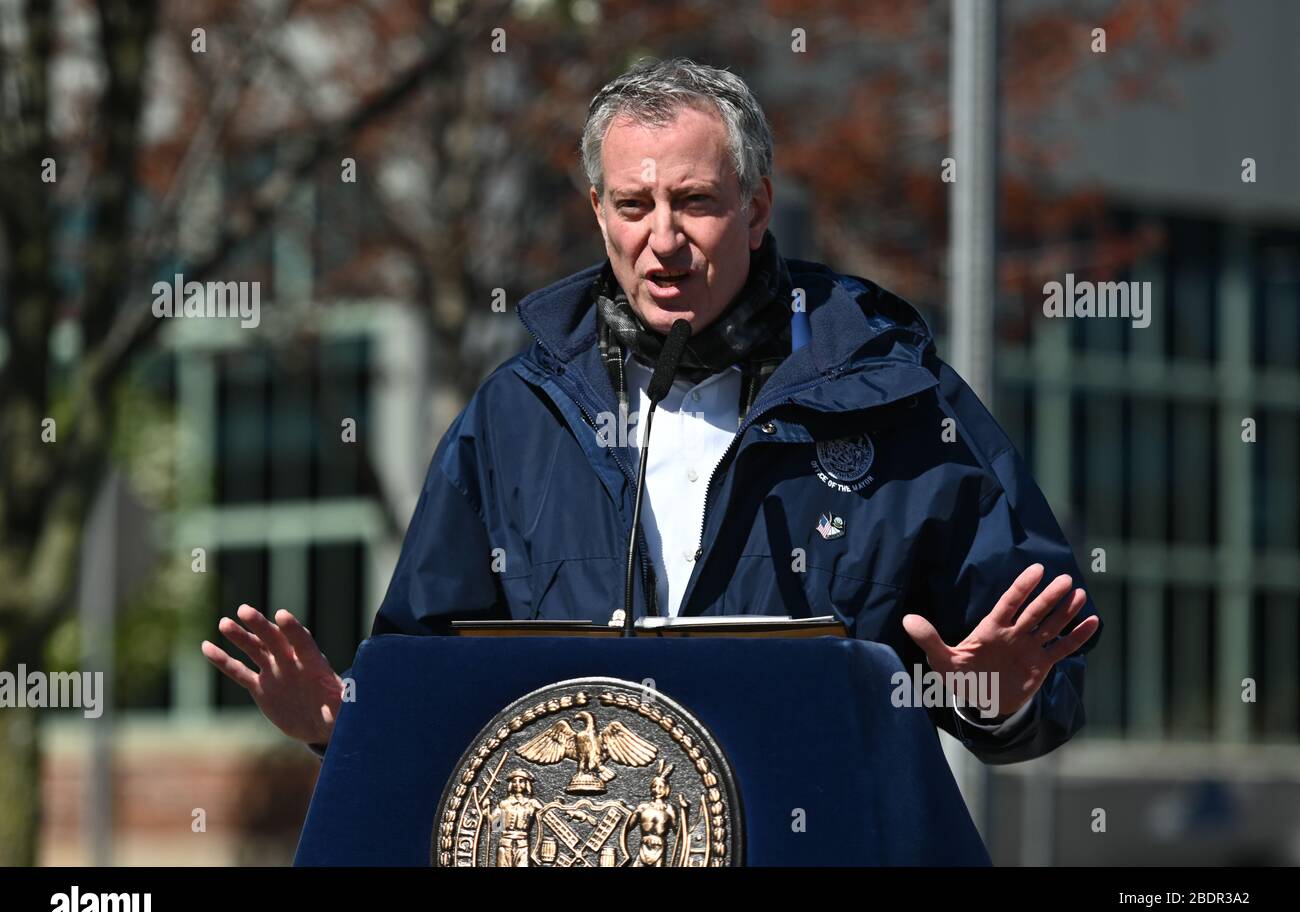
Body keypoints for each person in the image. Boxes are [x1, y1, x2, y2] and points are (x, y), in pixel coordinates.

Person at [201, 57, 1101, 767]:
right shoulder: (516, 418)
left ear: (757, 210)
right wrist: (344, 718)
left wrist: (998, 694)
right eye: (633, 204)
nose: (662, 238)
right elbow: (436, 676)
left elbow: (1036, 677)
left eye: (696, 202)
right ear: (598, 213)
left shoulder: (898, 395)